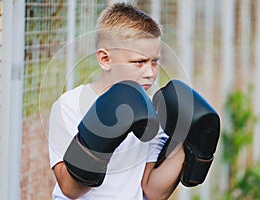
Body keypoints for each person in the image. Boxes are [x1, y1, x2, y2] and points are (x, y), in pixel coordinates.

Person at [49, 3, 186, 200]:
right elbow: (69, 189)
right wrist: (103, 132)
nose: (150, 73)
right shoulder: (68, 107)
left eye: (154, 62)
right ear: (105, 59)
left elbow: (152, 191)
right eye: (139, 62)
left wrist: (186, 139)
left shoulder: (152, 114)